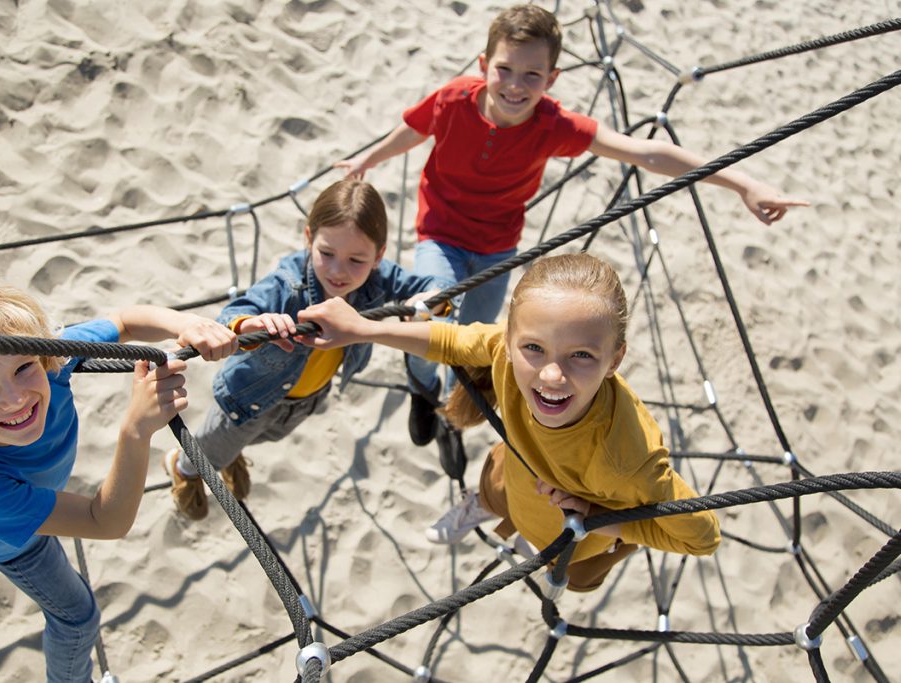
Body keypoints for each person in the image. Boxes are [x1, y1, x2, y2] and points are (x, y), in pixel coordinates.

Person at [336, 3, 808, 448]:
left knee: (477, 340)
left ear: (552, 78)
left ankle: (456, 415)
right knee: (430, 314)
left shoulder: (553, 124)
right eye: (504, 69)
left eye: (532, 75)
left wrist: (740, 181)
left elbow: (645, 152)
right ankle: (422, 390)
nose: (515, 86)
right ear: (484, 64)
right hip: (441, 233)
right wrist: (368, 159)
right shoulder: (454, 99)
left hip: (499, 247)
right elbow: (416, 128)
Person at [0, 281, 238, 682]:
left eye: (23, 367)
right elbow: (106, 522)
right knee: (78, 616)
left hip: (44, 488)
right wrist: (136, 430)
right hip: (17, 543)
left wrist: (184, 324)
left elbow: (125, 321)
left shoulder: (51, 360)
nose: (14, 398)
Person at [298, 253, 721, 592]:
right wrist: (362, 329)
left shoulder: (628, 457)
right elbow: (450, 341)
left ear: (615, 360)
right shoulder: (506, 349)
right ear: (512, 337)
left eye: (582, 355)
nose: (551, 375)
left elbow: (702, 537)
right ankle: (485, 506)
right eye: (534, 347)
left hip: (575, 538)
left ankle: (542, 543)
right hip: (518, 476)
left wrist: (602, 516)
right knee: (495, 485)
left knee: (575, 579)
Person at [165, 178, 446, 519]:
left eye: (356, 260)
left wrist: (427, 302)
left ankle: (230, 455)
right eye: (326, 254)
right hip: (249, 398)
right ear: (309, 237)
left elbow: (432, 288)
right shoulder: (288, 284)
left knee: (265, 438)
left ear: (378, 256)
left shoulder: (377, 277)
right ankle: (182, 471)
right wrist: (248, 325)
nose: (339, 271)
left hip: (307, 398)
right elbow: (234, 315)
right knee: (207, 451)